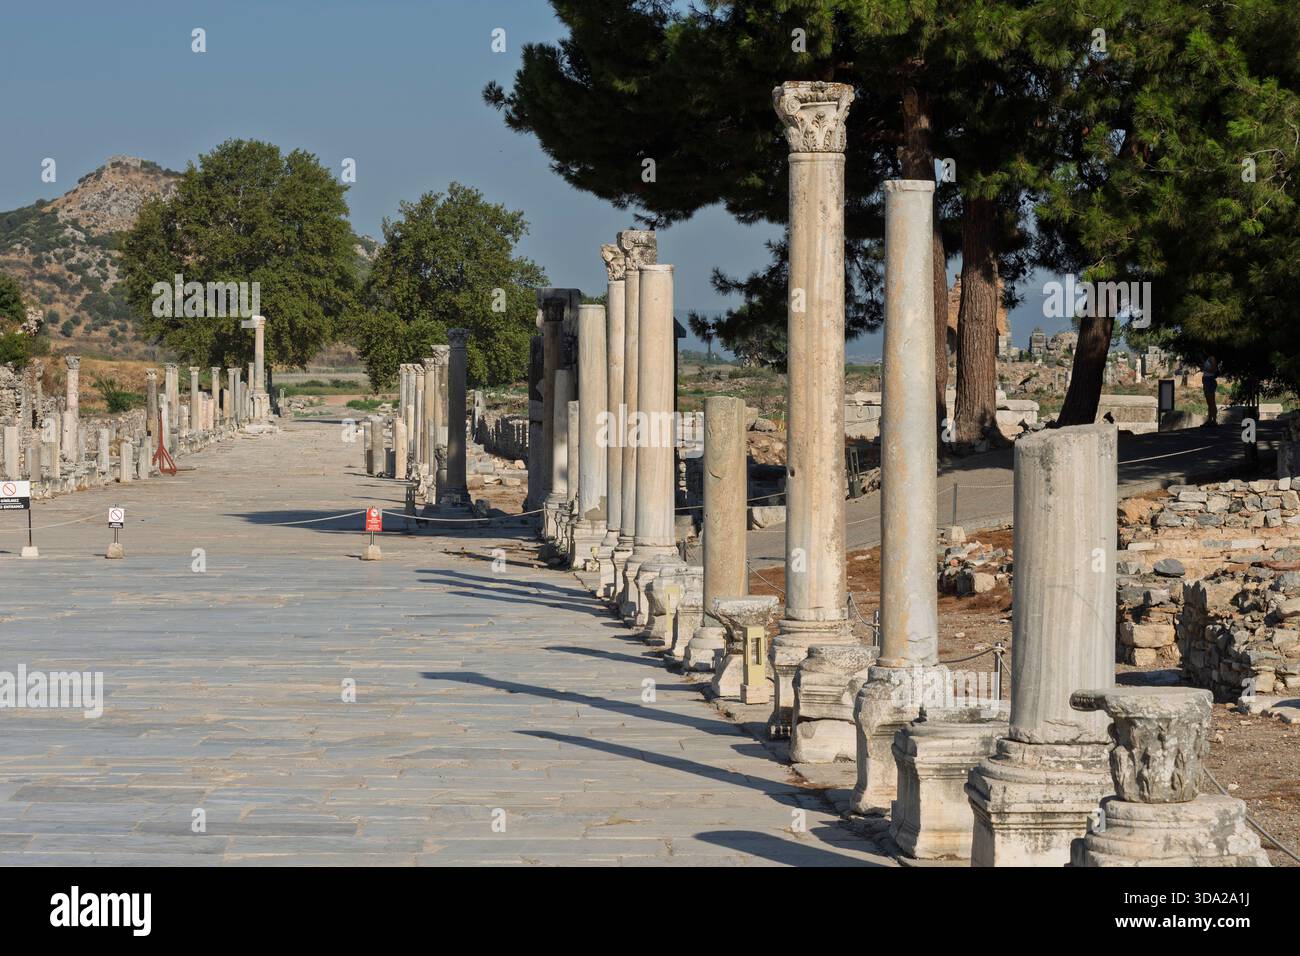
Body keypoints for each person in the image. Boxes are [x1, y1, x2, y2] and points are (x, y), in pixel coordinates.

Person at [1202, 356, 1219, 426]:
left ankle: (1214, 421)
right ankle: (1209, 420)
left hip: (1209, 380)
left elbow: (1214, 370)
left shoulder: (1212, 358)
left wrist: (1205, 369)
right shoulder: (1208, 358)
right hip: (1207, 380)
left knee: (1212, 402)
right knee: (1209, 402)